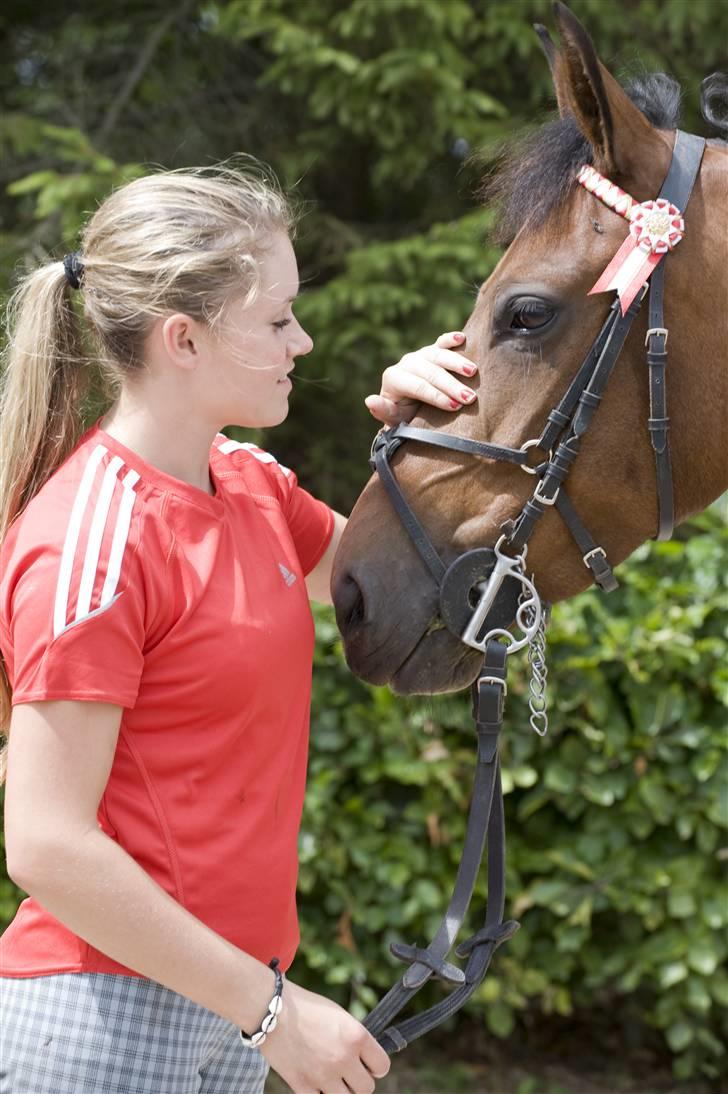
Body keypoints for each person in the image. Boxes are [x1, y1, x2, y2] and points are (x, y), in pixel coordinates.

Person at [0, 162, 478, 1094]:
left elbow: (417, 596)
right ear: (183, 339)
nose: (302, 339)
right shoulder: (92, 540)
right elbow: (47, 843)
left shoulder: (249, 484)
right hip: (104, 1019)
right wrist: (272, 1011)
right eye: (276, 319)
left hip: (225, 1005)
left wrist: (420, 429)